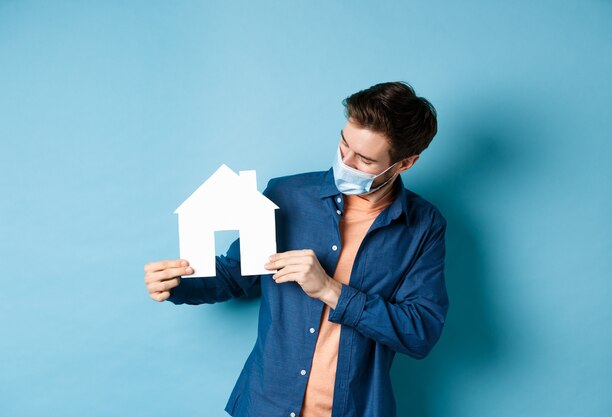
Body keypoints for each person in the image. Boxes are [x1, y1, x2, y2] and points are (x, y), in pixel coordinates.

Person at [143, 81, 448, 417]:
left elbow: (420, 332)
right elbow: (235, 275)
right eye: (344, 144)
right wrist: (179, 282)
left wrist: (332, 291)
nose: (345, 162)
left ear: (405, 163)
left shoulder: (424, 226)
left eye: (363, 159)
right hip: (265, 405)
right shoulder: (286, 194)